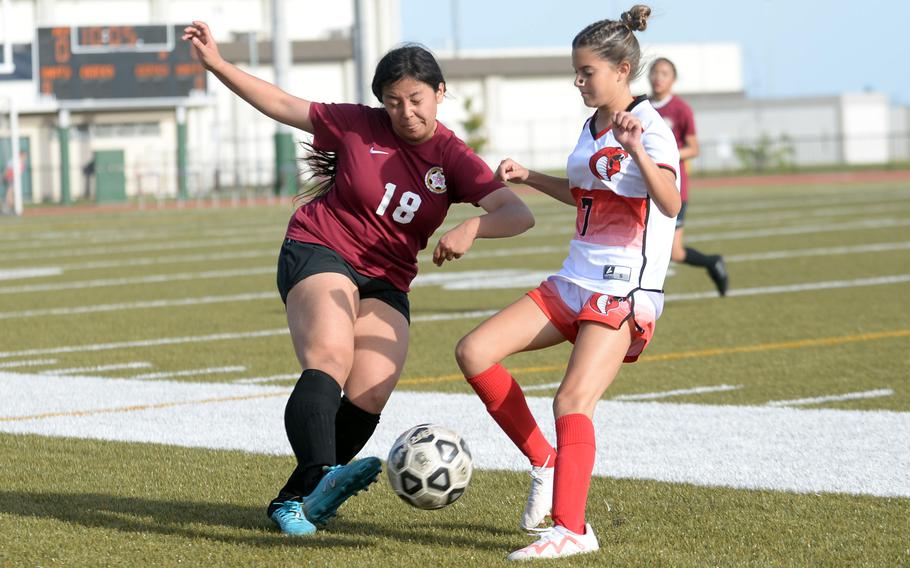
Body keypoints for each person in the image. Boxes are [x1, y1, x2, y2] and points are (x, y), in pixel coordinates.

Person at [182, 22, 535, 536]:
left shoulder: (453, 156)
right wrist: (217, 64)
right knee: (329, 357)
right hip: (320, 248)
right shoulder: (356, 125)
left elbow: (516, 212)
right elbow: (281, 103)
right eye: (393, 102)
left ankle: (295, 500)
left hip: (388, 276)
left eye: (416, 99)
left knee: (370, 391)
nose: (406, 113)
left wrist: (475, 227)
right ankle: (323, 474)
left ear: (439, 93)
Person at [455, 5, 681, 560]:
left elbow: (671, 201)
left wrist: (636, 152)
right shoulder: (592, 125)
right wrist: (529, 176)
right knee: (475, 352)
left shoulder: (650, 128)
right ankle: (543, 460)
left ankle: (573, 529)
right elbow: (586, 195)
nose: (578, 81)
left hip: (623, 289)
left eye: (587, 72)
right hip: (573, 278)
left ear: (622, 69)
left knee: (573, 400)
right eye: (576, 72)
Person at [648, 57, 728, 295]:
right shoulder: (641, 107)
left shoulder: (680, 109)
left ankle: (712, 262)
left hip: (674, 188)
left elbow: (694, 148)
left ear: (673, 79)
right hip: (644, 186)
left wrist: (667, 155)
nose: (658, 77)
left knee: (676, 253)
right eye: (655, 72)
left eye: (664, 73)